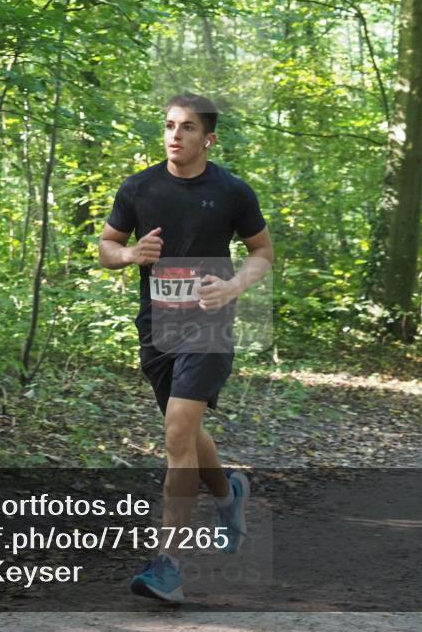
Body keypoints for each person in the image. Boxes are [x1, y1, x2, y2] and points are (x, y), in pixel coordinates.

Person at [98, 93, 274, 603]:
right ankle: (228, 491)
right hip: (158, 329)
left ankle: (167, 566)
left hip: (209, 325)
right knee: (187, 432)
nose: (176, 135)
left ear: (208, 138)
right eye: (170, 125)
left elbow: (261, 252)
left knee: (176, 431)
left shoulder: (232, 191)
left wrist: (234, 286)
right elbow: (107, 245)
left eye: (188, 127)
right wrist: (129, 254)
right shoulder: (139, 187)